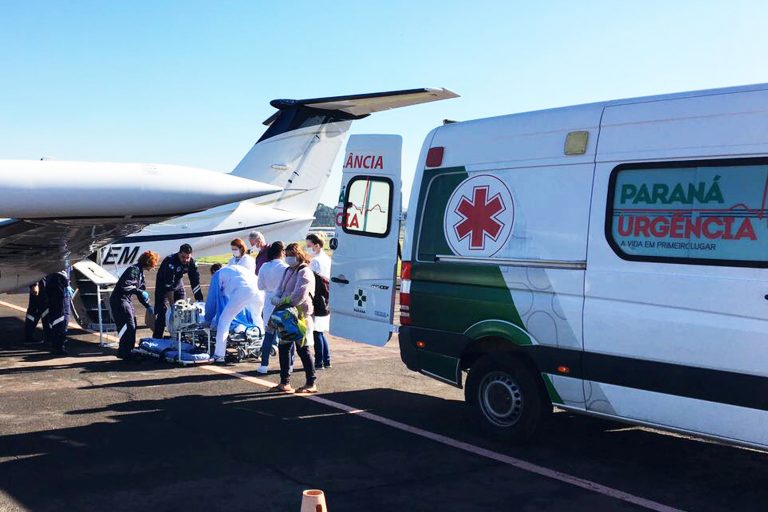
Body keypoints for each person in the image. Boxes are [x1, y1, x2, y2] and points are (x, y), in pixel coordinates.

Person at [270, 243, 317, 394]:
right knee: (284, 348)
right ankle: (285, 382)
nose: (288, 257)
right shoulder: (288, 270)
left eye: (291, 255)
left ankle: (311, 383)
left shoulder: (304, 271)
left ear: (298, 255)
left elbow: (299, 295)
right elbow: (280, 288)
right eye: (287, 254)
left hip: (300, 316)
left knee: (303, 349)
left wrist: (281, 301)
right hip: (286, 315)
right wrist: (276, 297)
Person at [207, 264, 264, 363]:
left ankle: (219, 355)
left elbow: (212, 301)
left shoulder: (217, 275)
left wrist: (207, 319)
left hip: (243, 290)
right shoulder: (236, 269)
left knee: (224, 321)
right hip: (259, 290)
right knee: (257, 319)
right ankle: (261, 349)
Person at [110, 251, 159, 361]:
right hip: (119, 300)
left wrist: (147, 305)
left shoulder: (140, 273)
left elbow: (141, 291)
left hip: (126, 300)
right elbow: (125, 286)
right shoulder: (134, 270)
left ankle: (128, 350)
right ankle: (125, 351)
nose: (154, 266)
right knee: (129, 326)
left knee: (133, 324)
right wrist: (139, 291)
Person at [153, 244, 204, 338]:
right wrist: (173, 306)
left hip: (178, 283)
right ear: (179, 254)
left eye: (187, 257)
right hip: (163, 285)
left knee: (183, 311)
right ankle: (157, 337)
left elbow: (195, 282)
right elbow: (169, 287)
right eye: (183, 257)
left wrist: (199, 300)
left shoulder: (192, 262)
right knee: (162, 312)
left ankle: (179, 337)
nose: (185, 260)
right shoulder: (170, 262)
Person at [256, 241, 288, 374]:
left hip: (269, 301)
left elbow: (260, 286)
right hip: (283, 301)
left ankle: (264, 365)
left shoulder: (264, 266)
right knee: (286, 337)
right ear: (282, 252)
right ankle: (289, 365)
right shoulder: (286, 268)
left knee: (268, 335)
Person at [306, 233, 332, 369]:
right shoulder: (327, 258)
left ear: (316, 245)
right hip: (326, 297)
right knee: (320, 331)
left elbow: (311, 280)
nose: (307, 248)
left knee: (316, 332)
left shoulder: (315, 261)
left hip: (317, 297)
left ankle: (319, 361)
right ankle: (326, 360)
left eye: (309, 245)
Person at [45, 269, 71, 355]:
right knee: (61, 317)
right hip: (59, 282)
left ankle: (56, 343)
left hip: (54, 281)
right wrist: (66, 283)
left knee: (57, 316)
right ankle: (58, 345)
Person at [23, 278, 50, 345]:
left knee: (36, 311)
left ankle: (29, 336)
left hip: (40, 283)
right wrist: (35, 284)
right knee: (42, 310)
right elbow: (36, 272)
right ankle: (48, 337)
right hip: (40, 283)